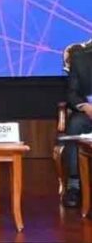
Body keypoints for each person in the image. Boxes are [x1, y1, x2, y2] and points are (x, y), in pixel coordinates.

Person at [61, 43, 92, 208]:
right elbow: (72, 94)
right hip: (89, 113)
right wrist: (86, 107)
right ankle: (74, 185)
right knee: (75, 124)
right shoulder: (80, 59)